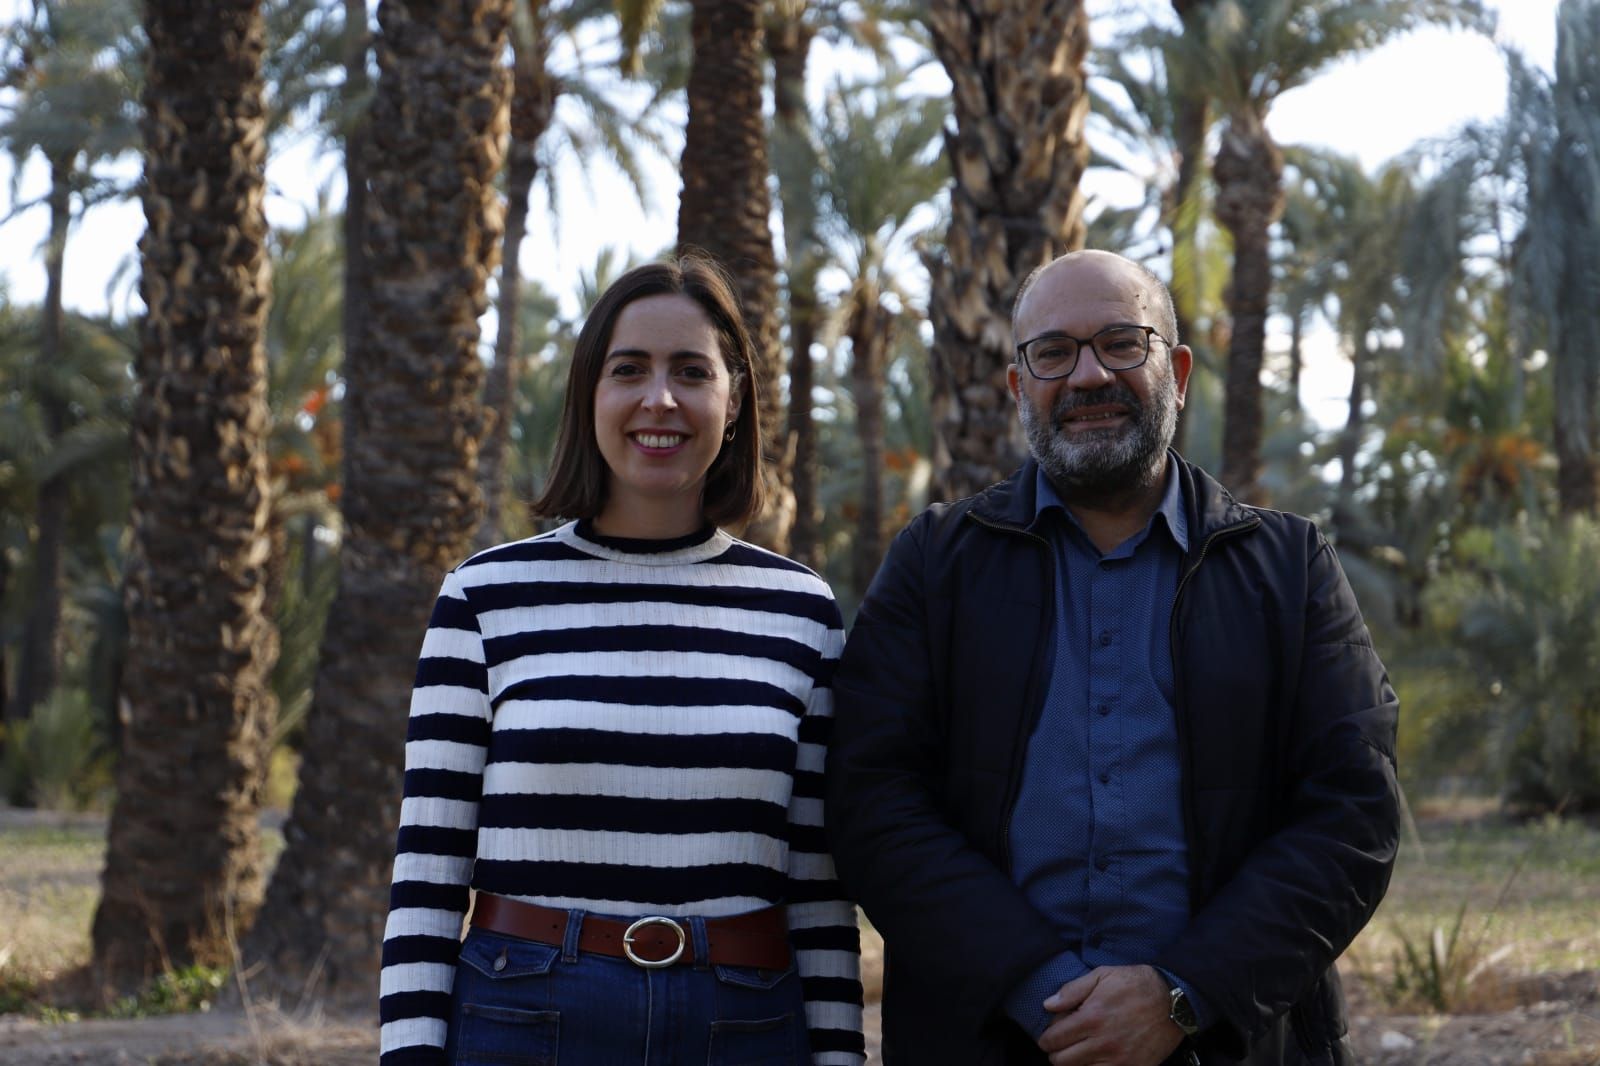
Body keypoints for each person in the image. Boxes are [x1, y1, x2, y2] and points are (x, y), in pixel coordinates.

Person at [825, 249, 1399, 1066]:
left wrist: (1182, 993)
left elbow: (1354, 812)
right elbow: (871, 799)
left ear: (1180, 370)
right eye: (1053, 353)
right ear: (1020, 387)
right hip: (987, 1040)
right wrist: (1038, 989)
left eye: (1123, 343)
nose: (1089, 376)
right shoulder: (936, 563)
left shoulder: (1289, 567)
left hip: (1230, 1044)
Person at [379, 256, 865, 1065]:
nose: (659, 399)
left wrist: (841, 1057)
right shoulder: (484, 598)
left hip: (743, 1025)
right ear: (589, 395)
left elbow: (817, 890)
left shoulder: (802, 614)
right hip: (522, 1020)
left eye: (690, 372)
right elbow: (428, 875)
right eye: (628, 370)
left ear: (734, 400)